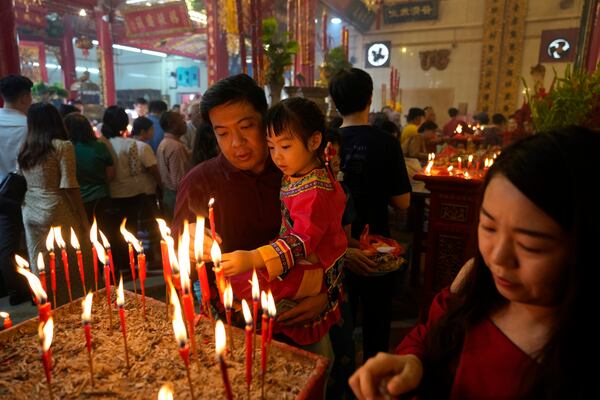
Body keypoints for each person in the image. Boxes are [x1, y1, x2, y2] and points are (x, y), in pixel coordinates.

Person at [349, 126, 599, 399]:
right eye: (488, 227)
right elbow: (431, 337)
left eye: (530, 245)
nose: (497, 258)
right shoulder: (475, 285)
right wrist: (415, 363)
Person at [172, 74, 340, 356]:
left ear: (266, 120)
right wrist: (186, 241)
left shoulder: (300, 173)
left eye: (246, 127)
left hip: (302, 316)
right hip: (235, 324)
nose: (236, 143)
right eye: (222, 133)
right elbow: (178, 250)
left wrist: (328, 295)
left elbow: (334, 239)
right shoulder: (199, 182)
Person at [221, 97, 347, 352]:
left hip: (309, 266)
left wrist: (254, 257)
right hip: (296, 257)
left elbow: (301, 240)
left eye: (286, 146)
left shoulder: (314, 191)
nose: (277, 156)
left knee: (241, 280)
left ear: (314, 141)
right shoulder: (304, 173)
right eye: (271, 147)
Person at [329, 68, 411, 363]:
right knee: (377, 316)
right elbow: (402, 202)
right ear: (370, 98)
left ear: (334, 101)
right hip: (376, 246)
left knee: (338, 316)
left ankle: (342, 377)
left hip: (332, 247)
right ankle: (376, 373)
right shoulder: (386, 142)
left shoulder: (322, 140)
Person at [18, 103, 92, 305]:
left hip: (30, 210)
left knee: (39, 259)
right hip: (56, 208)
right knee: (69, 259)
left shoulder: (25, 148)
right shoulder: (62, 146)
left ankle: (46, 304)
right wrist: (83, 218)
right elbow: (69, 186)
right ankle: (72, 303)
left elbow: (20, 179)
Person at [99, 106, 158, 274]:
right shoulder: (131, 144)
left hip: (111, 192)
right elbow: (134, 170)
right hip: (131, 193)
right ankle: (128, 264)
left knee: (112, 230)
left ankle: (115, 264)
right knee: (129, 229)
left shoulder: (102, 143)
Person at [0, 74, 32, 305]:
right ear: (24, 97)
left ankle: (16, 291)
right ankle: (36, 289)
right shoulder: (30, 125)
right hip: (28, 191)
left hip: (1, 194)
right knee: (33, 241)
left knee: (7, 245)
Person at [63, 113, 115, 221]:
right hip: (100, 198)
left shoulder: (66, 149)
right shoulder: (100, 146)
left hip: (74, 200)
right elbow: (111, 174)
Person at [156, 111, 191, 220]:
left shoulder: (165, 143)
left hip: (169, 194)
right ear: (172, 124)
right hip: (177, 196)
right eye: (181, 120)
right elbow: (179, 181)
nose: (184, 123)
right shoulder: (175, 147)